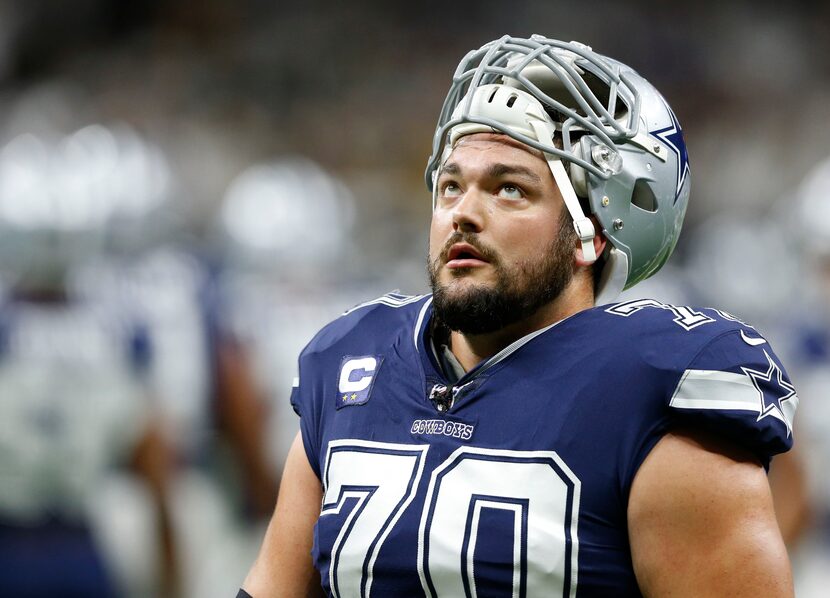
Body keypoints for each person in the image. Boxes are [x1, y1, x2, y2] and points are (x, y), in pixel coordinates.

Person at [241, 35, 797, 597]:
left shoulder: (653, 393)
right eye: (451, 185)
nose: (463, 213)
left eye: (509, 189)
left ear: (592, 235)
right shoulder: (352, 363)